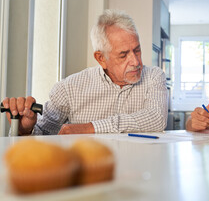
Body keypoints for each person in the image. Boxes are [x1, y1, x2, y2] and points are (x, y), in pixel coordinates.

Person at [2, 9, 168, 135]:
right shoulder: (69, 88)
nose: (136, 61)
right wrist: (24, 129)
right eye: (123, 55)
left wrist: (91, 128)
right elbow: (43, 134)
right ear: (101, 58)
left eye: (137, 50)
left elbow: (156, 118)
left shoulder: (154, 76)